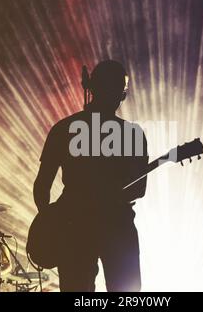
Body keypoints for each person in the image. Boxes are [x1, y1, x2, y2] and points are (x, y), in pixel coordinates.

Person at [33, 60, 148, 292]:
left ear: (91, 88)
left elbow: (42, 186)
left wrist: (50, 220)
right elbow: (138, 190)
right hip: (117, 226)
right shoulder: (132, 134)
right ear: (122, 94)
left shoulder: (63, 129)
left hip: (74, 226)